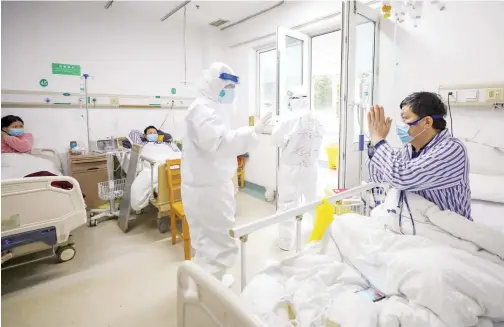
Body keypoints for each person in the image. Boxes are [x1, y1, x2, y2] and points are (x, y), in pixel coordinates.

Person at [181, 62, 272, 286]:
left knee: (207, 241)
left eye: (233, 87)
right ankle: (210, 291)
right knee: (217, 242)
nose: (231, 91)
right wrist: (253, 131)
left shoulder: (212, 108)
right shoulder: (202, 109)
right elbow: (219, 143)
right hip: (207, 188)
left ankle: (206, 282)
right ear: (214, 83)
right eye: (227, 86)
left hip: (209, 184)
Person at [367, 92, 471, 220]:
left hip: (447, 231)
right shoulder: (408, 150)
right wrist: (373, 143)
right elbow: (378, 177)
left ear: (427, 122)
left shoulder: (452, 149)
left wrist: (378, 139)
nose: (401, 124)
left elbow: (402, 177)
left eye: (405, 118)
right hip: (414, 226)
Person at [272, 88, 324, 251]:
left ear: (294, 100)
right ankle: (320, 233)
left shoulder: (289, 119)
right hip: (311, 167)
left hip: (292, 168)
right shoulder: (317, 120)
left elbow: (275, 139)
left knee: (288, 204)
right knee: (312, 201)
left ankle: (286, 242)